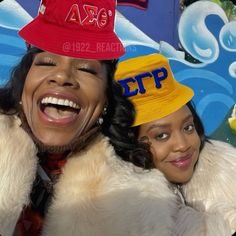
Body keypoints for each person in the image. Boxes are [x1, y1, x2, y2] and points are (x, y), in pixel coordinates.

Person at [0, 1, 200, 236]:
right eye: (47, 62)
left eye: (86, 69)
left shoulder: (142, 195)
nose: (63, 76)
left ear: (106, 99)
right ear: (24, 83)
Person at [115, 53, 236, 235]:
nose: (182, 145)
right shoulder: (116, 216)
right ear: (128, 143)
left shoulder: (226, 170)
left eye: (188, 127)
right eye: (162, 135)